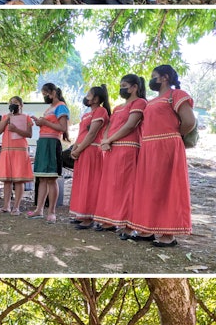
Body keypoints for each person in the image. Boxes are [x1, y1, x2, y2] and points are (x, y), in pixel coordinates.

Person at [126, 65, 195, 245]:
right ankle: (147, 229)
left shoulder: (176, 95)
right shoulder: (152, 101)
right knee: (149, 188)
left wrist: (173, 137)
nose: (151, 80)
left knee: (166, 187)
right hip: (149, 148)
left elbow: (189, 121)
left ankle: (167, 235)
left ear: (164, 78)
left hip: (167, 146)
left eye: (154, 76)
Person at [94, 74, 147, 237]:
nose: (121, 88)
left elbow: (131, 126)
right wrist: (105, 140)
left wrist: (109, 139)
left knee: (126, 186)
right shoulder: (117, 108)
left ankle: (128, 224)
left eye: (124, 85)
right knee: (111, 184)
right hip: (112, 148)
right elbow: (110, 125)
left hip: (128, 148)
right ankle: (109, 220)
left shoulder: (140, 103)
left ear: (134, 87)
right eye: (120, 85)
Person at [68, 87, 110, 229]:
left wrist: (79, 149)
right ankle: (81, 214)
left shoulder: (101, 111)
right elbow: (81, 133)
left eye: (89, 95)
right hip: (82, 149)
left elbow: (92, 134)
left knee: (90, 182)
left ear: (96, 99)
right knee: (81, 182)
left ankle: (89, 217)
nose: (86, 97)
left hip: (91, 150)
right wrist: (74, 148)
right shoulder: (87, 114)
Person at [28, 84, 70, 223]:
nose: (44, 96)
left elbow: (63, 127)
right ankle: (39, 209)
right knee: (42, 178)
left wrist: (45, 122)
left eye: (46, 94)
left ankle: (52, 211)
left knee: (51, 178)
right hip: (43, 142)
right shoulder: (49, 109)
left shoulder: (61, 106)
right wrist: (40, 122)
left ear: (53, 92)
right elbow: (49, 123)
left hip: (52, 144)